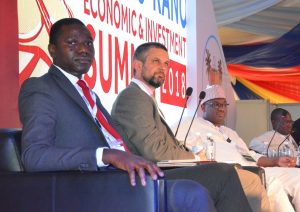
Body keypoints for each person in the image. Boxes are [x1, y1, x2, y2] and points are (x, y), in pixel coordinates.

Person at [18, 18, 217, 212]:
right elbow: (34, 156)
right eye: (72, 42)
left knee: (219, 175)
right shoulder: (41, 88)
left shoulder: (89, 94)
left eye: (88, 43)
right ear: (52, 49)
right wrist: (105, 155)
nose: (83, 49)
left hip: (131, 175)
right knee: (194, 193)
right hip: (94, 184)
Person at [111, 42, 262, 211]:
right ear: (138, 65)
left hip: (163, 170)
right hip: (151, 176)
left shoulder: (145, 98)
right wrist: (197, 160)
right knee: (224, 173)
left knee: (250, 178)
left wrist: (196, 156)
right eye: (156, 61)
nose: (163, 68)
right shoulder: (133, 97)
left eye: (166, 64)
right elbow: (154, 152)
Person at [177, 84, 299, 212]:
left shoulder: (230, 133)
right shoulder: (191, 123)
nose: (221, 109)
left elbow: (250, 156)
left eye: (224, 104)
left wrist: (275, 161)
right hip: (231, 174)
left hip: (256, 168)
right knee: (275, 185)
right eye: (215, 104)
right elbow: (178, 145)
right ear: (202, 107)